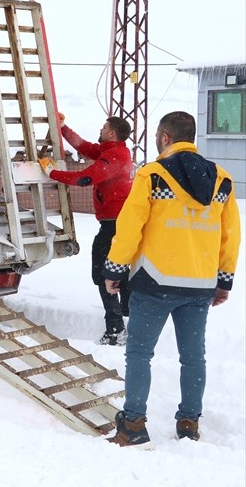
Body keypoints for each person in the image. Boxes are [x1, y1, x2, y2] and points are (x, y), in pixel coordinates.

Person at [102, 111, 240, 447]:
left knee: (139, 355)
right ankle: (189, 423)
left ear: (165, 137)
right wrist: (223, 280)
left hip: (154, 284)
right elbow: (230, 235)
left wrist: (115, 269)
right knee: (193, 357)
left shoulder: (151, 176)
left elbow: (130, 226)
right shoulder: (222, 180)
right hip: (199, 286)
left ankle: (133, 424)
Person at [39, 114, 135, 344]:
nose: (100, 129)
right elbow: (85, 147)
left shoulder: (115, 157)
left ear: (111, 133)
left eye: (104, 127)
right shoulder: (115, 151)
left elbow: (84, 179)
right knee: (119, 270)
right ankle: (127, 315)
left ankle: (115, 330)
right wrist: (63, 128)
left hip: (114, 225)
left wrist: (52, 173)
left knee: (104, 273)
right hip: (119, 223)